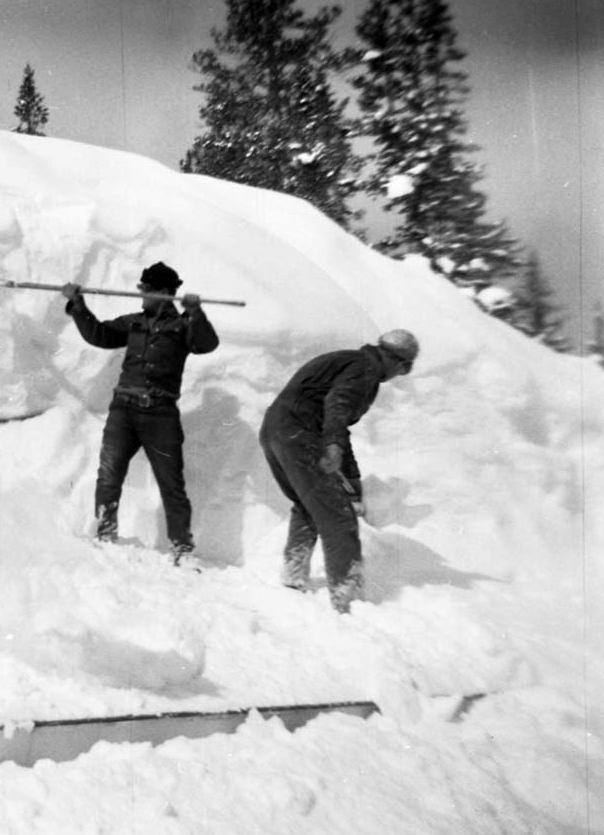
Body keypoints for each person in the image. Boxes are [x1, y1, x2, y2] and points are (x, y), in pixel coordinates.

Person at [61, 262, 220, 563]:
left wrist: (197, 313)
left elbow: (207, 344)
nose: (141, 294)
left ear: (164, 293)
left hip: (161, 414)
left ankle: (182, 548)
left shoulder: (183, 326)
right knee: (108, 475)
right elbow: (100, 335)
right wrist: (78, 305)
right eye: (142, 288)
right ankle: (105, 534)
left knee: (171, 484)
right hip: (123, 410)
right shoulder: (133, 322)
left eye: (146, 289)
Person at [258, 329, 420, 612]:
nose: (399, 375)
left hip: (276, 431)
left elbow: (338, 425)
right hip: (300, 433)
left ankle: (294, 575)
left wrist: (353, 478)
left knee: (308, 505)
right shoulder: (366, 368)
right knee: (339, 518)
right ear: (397, 362)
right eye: (404, 369)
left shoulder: (352, 360)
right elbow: (338, 405)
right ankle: (348, 598)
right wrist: (332, 445)